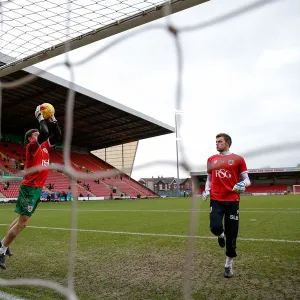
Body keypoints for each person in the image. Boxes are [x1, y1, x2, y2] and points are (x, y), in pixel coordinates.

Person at [0, 105, 61, 269]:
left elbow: (56, 134)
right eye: (36, 134)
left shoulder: (45, 147)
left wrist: (53, 119)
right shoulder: (32, 147)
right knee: (23, 223)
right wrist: (40, 117)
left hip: (37, 188)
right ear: (30, 138)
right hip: (30, 187)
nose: (39, 135)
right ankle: (2, 249)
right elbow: (46, 133)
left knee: (20, 220)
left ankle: (2, 243)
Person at [202, 133, 251, 278]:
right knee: (215, 227)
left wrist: (243, 184)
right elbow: (209, 179)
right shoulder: (211, 159)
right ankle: (220, 234)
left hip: (232, 200)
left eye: (219, 141)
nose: (216, 144)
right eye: (216, 142)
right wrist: (206, 189)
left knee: (232, 235)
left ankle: (228, 264)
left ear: (227, 143)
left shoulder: (238, 159)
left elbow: (247, 180)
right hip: (216, 199)